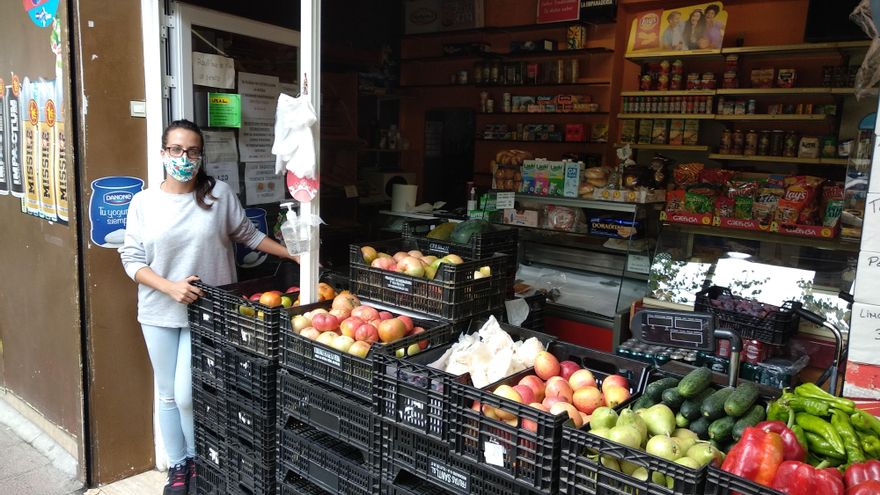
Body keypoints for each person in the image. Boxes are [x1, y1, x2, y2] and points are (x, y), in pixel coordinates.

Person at [119, 119, 296, 495]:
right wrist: (169, 287)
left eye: (193, 151)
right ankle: (180, 466)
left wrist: (294, 255)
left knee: (189, 393)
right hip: (160, 310)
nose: (184, 158)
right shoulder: (144, 202)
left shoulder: (217, 194)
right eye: (177, 150)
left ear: (201, 156)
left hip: (212, 312)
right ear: (163, 152)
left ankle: (201, 458)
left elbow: (248, 234)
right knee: (168, 393)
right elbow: (131, 259)